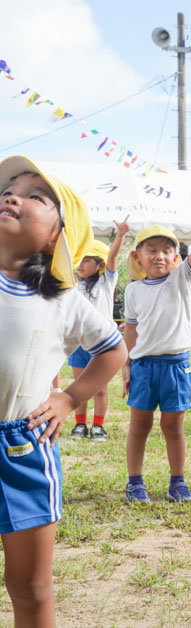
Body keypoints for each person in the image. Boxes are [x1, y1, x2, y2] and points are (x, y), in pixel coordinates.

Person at [0, 156, 126, 625]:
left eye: (35, 196)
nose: (12, 196)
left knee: (31, 589)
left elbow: (114, 352)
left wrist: (70, 398)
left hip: (23, 449)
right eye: (8, 190)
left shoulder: (63, 300)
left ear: (58, 234)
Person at [122, 200, 191, 503]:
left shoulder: (182, 279)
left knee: (173, 427)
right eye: (151, 249)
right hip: (143, 366)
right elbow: (131, 330)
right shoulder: (133, 290)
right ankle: (134, 482)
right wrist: (126, 366)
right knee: (139, 425)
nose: (159, 255)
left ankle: (177, 482)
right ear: (137, 256)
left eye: (166, 250)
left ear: (176, 257)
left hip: (177, 366)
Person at [68, 217, 129, 440]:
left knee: (100, 388)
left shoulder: (106, 282)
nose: (81, 264)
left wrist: (120, 235)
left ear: (100, 265)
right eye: (79, 259)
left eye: (87, 260)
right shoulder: (73, 283)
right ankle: (80, 424)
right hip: (79, 342)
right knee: (79, 385)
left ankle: (98, 426)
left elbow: (112, 257)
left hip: (102, 345)